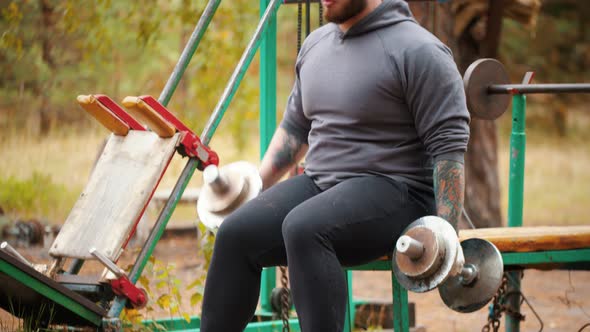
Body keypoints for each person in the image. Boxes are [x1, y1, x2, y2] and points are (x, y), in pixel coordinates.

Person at [200, 0, 470, 331]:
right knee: (236, 233)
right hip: (322, 183)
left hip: (399, 190)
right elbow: (295, 130)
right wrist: (256, 187)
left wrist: (448, 233)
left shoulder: (421, 51)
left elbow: (449, 148)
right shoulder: (316, 44)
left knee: (304, 227)